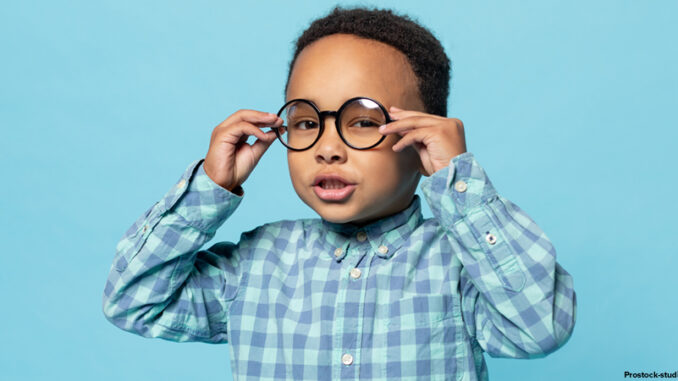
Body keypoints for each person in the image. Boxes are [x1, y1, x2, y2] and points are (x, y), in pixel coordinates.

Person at [102, 6, 576, 380]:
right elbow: (133, 300)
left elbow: (540, 328)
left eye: (363, 122)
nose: (328, 148)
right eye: (307, 122)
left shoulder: (458, 265)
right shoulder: (255, 265)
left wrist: (459, 182)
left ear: (422, 138)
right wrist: (211, 186)